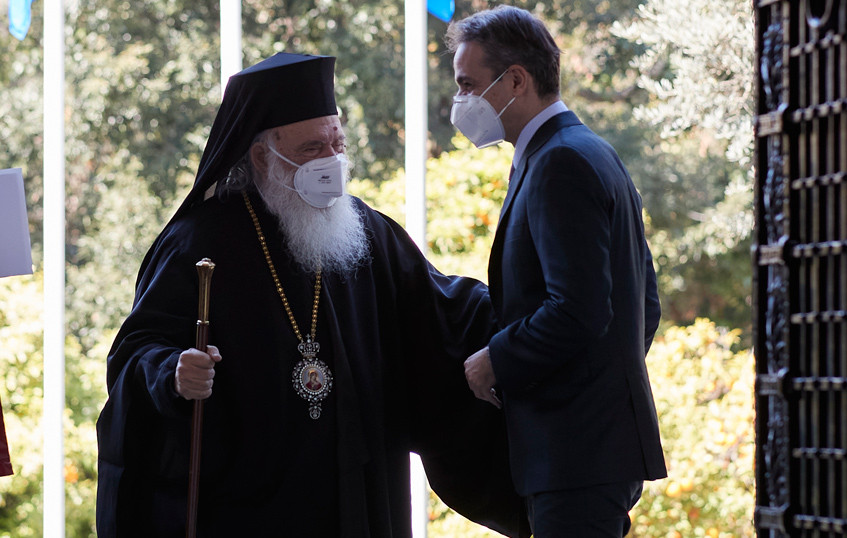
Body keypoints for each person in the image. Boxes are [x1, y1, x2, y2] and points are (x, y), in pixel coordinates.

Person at [96, 53, 530, 537]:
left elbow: (444, 312)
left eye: (337, 143)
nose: (331, 161)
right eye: (311, 148)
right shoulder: (199, 242)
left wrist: (528, 320)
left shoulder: (365, 230)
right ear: (262, 156)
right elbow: (136, 351)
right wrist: (173, 372)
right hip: (249, 504)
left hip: (354, 495)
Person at [446, 6, 667, 537]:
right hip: (588, 449)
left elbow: (578, 310)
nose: (459, 101)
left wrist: (495, 360)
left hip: (575, 455)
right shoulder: (585, 150)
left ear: (515, 80)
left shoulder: (559, 162)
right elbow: (645, 305)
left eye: (467, 84)